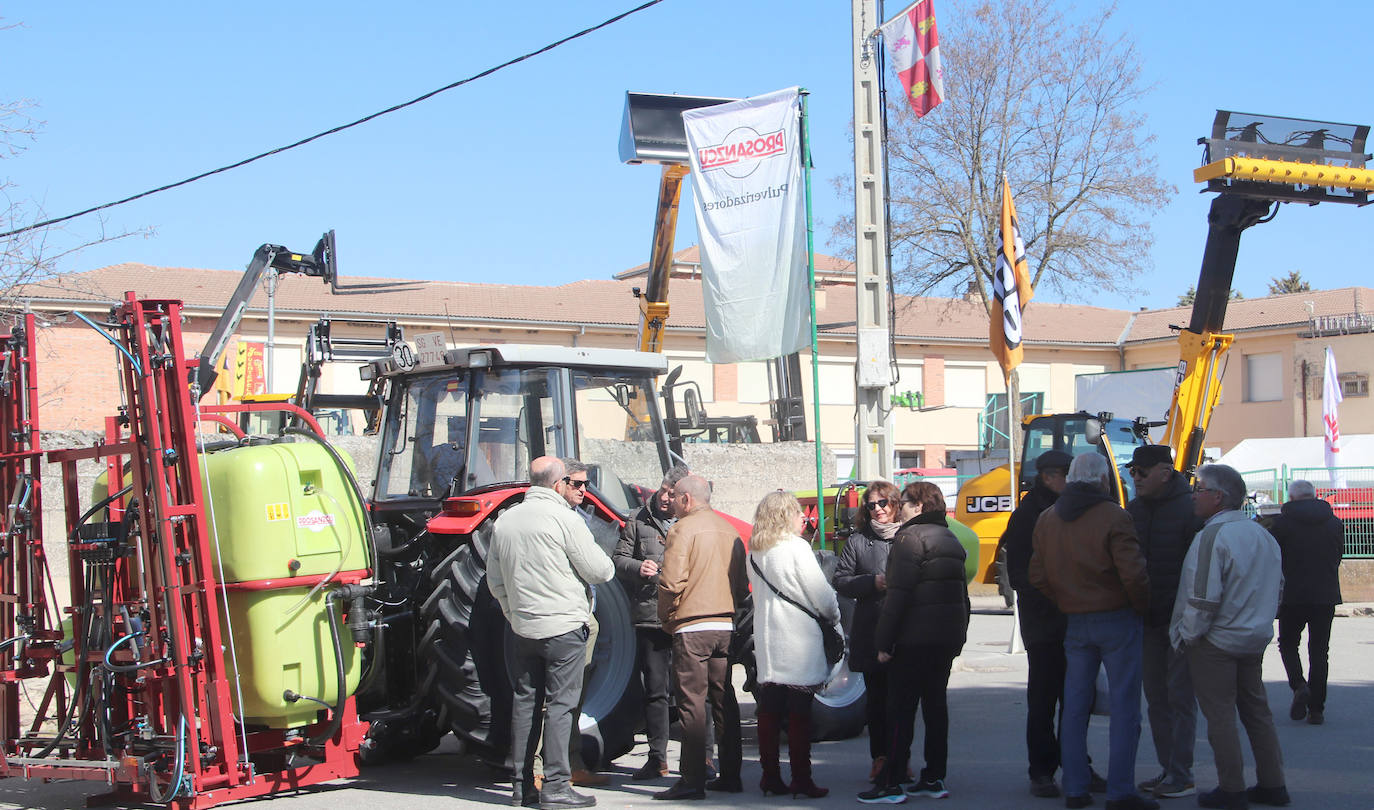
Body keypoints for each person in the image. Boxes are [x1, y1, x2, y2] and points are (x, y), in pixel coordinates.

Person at [1030, 453, 1157, 810]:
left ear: (1070, 479)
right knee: (1125, 707)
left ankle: (1075, 788)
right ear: (1104, 481)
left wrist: (1067, 599)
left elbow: (1037, 575)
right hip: (1117, 617)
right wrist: (1141, 607)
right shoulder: (1115, 516)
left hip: (1075, 621)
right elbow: (1133, 574)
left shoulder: (1047, 518)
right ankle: (1120, 791)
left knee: (1074, 707)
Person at [488, 456, 615, 810]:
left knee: (525, 703)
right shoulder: (565, 519)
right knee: (561, 706)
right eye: (575, 484)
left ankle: (521, 786)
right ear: (559, 484)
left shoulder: (505, 521)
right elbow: (600, 570)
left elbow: (495, 581)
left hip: (524, 630)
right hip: (563, 629)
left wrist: (514, 616)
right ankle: (557, 785)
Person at [1172, 464, 1288, 810]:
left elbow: (1203, 597)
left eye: (1200, 490)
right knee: (1257, 711)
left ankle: (1232, 789)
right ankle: (1273, 784)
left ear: (1218, 497)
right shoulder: (1262, 535)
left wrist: (1187, 636)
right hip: (1253, 637)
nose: (1194, 496)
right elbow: (1278, 588)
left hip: (1216, 641)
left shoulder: (1211, 537)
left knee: (1220, 716)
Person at [858, 481, 969, 804]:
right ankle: (934, 776)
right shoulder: (950, 538)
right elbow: (962, 595)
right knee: (935, 708)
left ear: (919, 506)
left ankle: (890, 782)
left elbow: (898, 596)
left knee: (900, 710)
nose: (900, 507)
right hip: (944, 640)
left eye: (904, 502)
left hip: (913, 640)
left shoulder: (908, 538)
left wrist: (883, 642)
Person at [655, 474, 747, 801]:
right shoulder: (730, 530)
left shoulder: (682, 529)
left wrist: (666, 617)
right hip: (724, 624)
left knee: (692, 702)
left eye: (676, 498)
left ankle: (692, 779)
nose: (672, 503)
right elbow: (740, 584)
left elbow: (670, 583)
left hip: (691, 626)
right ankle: (732, 774)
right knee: (725, 700)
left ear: (688, 500)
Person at [747, 491, 843, 799]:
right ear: (784, 515)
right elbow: (822, 595)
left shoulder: (755, 551)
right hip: (798, 641)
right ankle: (802, 778)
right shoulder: (796, 548)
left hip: (768, 642)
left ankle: (770, 777)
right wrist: (835, 616)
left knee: (769, 713)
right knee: (801, 716)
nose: (803, 517)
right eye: (797, 512)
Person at [1125, 445, 1202, 799]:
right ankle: (1168, 769)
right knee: (1156, 698)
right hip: (1147, 619)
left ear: (1165, 472)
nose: (1135, 479)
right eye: (1132, 472)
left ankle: (1182, 774)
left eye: (1142, 472)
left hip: (1181, 622)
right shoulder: (1136, 509)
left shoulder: (1190, 509)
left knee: (1179, 699)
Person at [1000, 449, 1078, 798]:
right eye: (1068, 474)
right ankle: (1042, 771)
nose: (1072, 481)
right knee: (1045, 701)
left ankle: (1079, 765)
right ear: (1050, 477)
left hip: (1071, 620)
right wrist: (1051, 594)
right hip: (1045, 624)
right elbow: (1017, 573)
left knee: (1076, 701)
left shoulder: (1070, 508)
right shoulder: (1028, 515)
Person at [612, 464, 691, 781]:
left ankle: (701, 759)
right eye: (662, 489)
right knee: (655, 692)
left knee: (690, 692)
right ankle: (657, 758)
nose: (663, 497)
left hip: (685, 617)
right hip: (649, 616)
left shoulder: (692, 522)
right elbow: (618, 559)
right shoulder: (638, 519)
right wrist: (636, 567)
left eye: (672, 494)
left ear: (683, 496)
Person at [834, 479, 902, 784]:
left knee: (901, 702)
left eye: (883, 503)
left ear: (895, 503)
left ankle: (902, 759)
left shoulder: (908, 536)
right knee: (876, 701)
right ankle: (880, 758)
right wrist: (871, 583)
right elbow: (841, 579)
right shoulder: (859, 541)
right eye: (871, 505)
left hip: (904, 630)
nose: (878, 510)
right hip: (872, 629)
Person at [1269, 478, 1344, 727]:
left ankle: (1299, 685)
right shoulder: (1334, 523)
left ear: (1291, 498)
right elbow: (1338, 555)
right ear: (1314, 495)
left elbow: (1273, 558)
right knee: (1320, 651)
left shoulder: (1281, 524)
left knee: (1288, 643)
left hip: (1292, 596)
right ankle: (1316, 711)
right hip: (1325, 595)